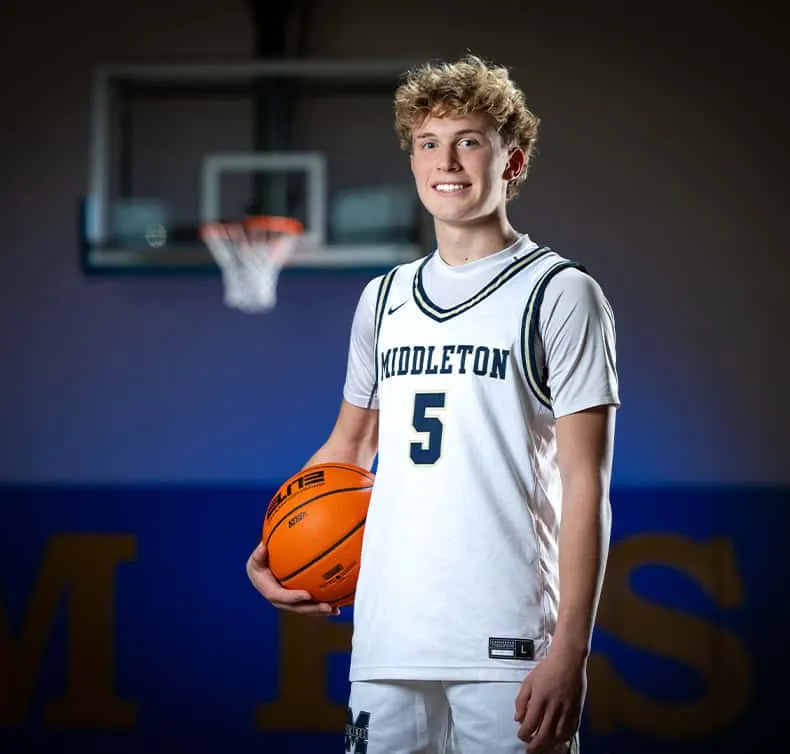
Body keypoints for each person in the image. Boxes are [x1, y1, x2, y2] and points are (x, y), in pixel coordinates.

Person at [247, 54, 619, 754]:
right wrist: (274, 543)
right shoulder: (383, 300)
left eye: (470, 140)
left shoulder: (560, 294)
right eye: (428, 143)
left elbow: (584, 485)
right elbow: (349, 448)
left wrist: (570, 650)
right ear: (414, 162)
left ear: (513, 161)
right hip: (388, 642)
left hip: (508, 645)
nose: (447, 160)